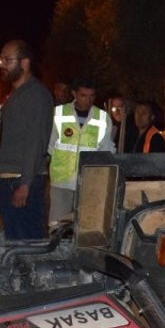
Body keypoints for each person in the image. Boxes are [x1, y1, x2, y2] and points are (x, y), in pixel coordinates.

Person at [0, 40, 53, 240]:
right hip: (10, 180)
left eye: (7, 60)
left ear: (24, 63)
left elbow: (35, 141)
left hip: (21, 182)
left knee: (27, 243)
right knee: (16, 243)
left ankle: (29, 273)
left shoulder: (35, 94)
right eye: (1, 59)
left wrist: (25, 184)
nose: (2, 64)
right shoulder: (16, 94)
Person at [48, 77, 114, 227]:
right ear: (74, 94)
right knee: (56, 225)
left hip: (89, 183)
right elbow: (50, 145)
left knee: (86, 227)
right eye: (84, 95)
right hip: (61, 182)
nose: (88, 100)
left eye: (91, 96)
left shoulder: (103, 118)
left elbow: (106, 149)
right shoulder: (58, 113)